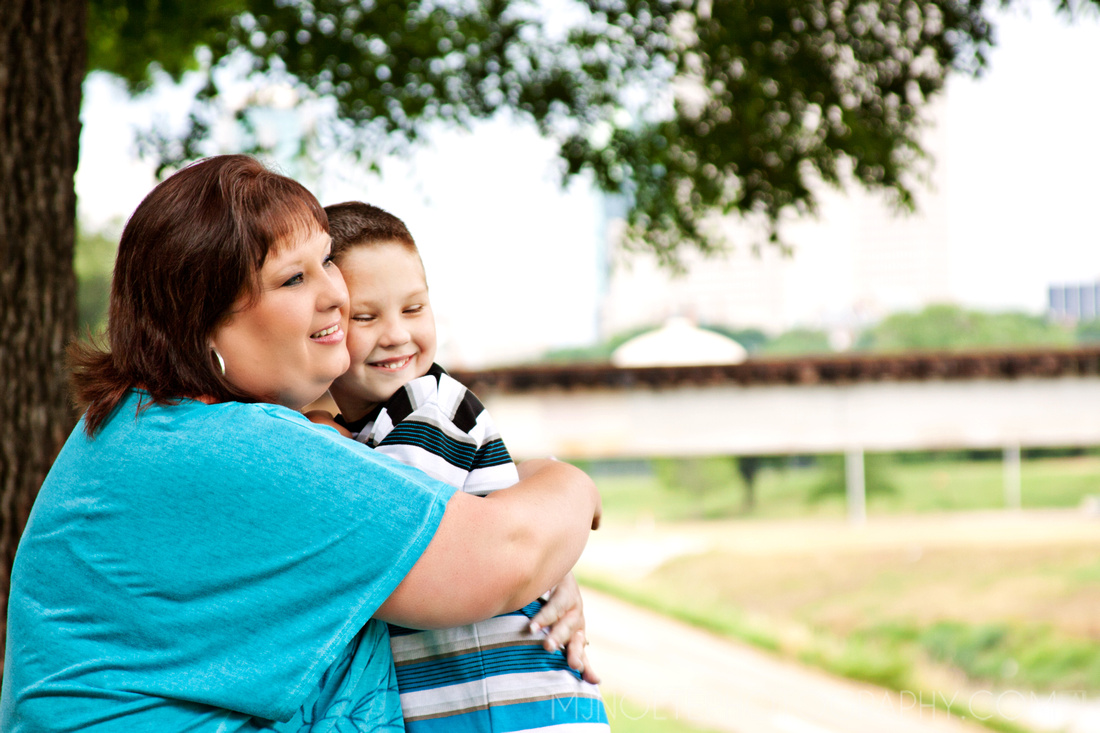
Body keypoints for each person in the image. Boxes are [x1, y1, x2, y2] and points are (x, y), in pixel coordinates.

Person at [0, 155, 601, 733]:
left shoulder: (147, 427)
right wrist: (567, 486)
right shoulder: (233, 449)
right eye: (293, 278)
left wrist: (514, 517)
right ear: (201, 325)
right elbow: (506, 559)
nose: (335, 295)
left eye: (325, 262)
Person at [307, 202, 609, 732]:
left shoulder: (434, 408)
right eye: (366, 316)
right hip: (472, 707)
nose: (397, 334)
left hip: (518, 709)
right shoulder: (374, 431)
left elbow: (387, 539)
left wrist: (323, 432)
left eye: (414, 308)